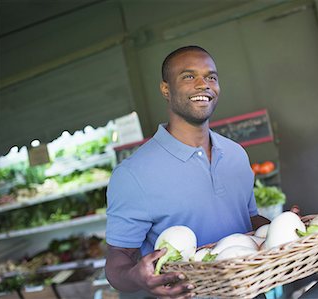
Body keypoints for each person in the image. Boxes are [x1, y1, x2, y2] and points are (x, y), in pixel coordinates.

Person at [105, 45, 270, 299]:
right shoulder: (132, 174)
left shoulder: (236, 154)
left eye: (211, 77)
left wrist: (284, 228)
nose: (204, 84)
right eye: (189, 76)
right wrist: (137, 276)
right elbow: (117, 261)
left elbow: (248, 221)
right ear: (166, 90)